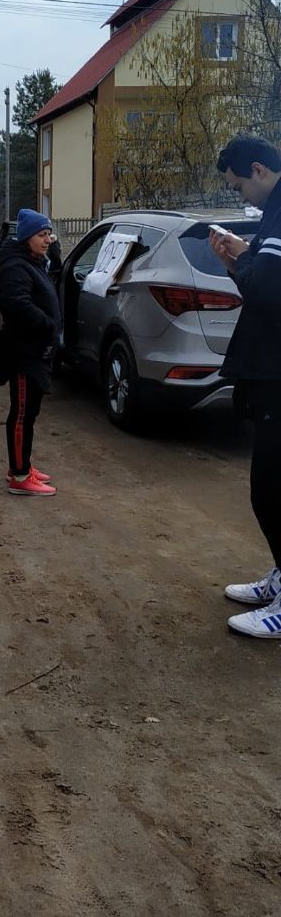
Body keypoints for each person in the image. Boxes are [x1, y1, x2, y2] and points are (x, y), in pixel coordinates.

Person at [211, 134, 281, 637]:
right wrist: (240, 259)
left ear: (258, 170)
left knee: (272, 488)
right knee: (268, 487)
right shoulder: (272, 215)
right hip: (269, 370)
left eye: (238, 187)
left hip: (278, 371)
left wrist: (243, 257)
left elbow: (269, 292)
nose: (241, 197)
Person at [0, 209, 61, 496]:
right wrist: (47, 324)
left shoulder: (32, 261)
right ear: (26, 237)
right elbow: (15, 304)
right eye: (41, 235)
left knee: (29, 412)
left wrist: (54, 252)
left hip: (34, 351)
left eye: (48, 235)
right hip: (23, 353)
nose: (47, 240)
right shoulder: (16, 266)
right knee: (22, 414)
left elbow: (52, 279)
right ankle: (20, 477)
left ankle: (21, 465)